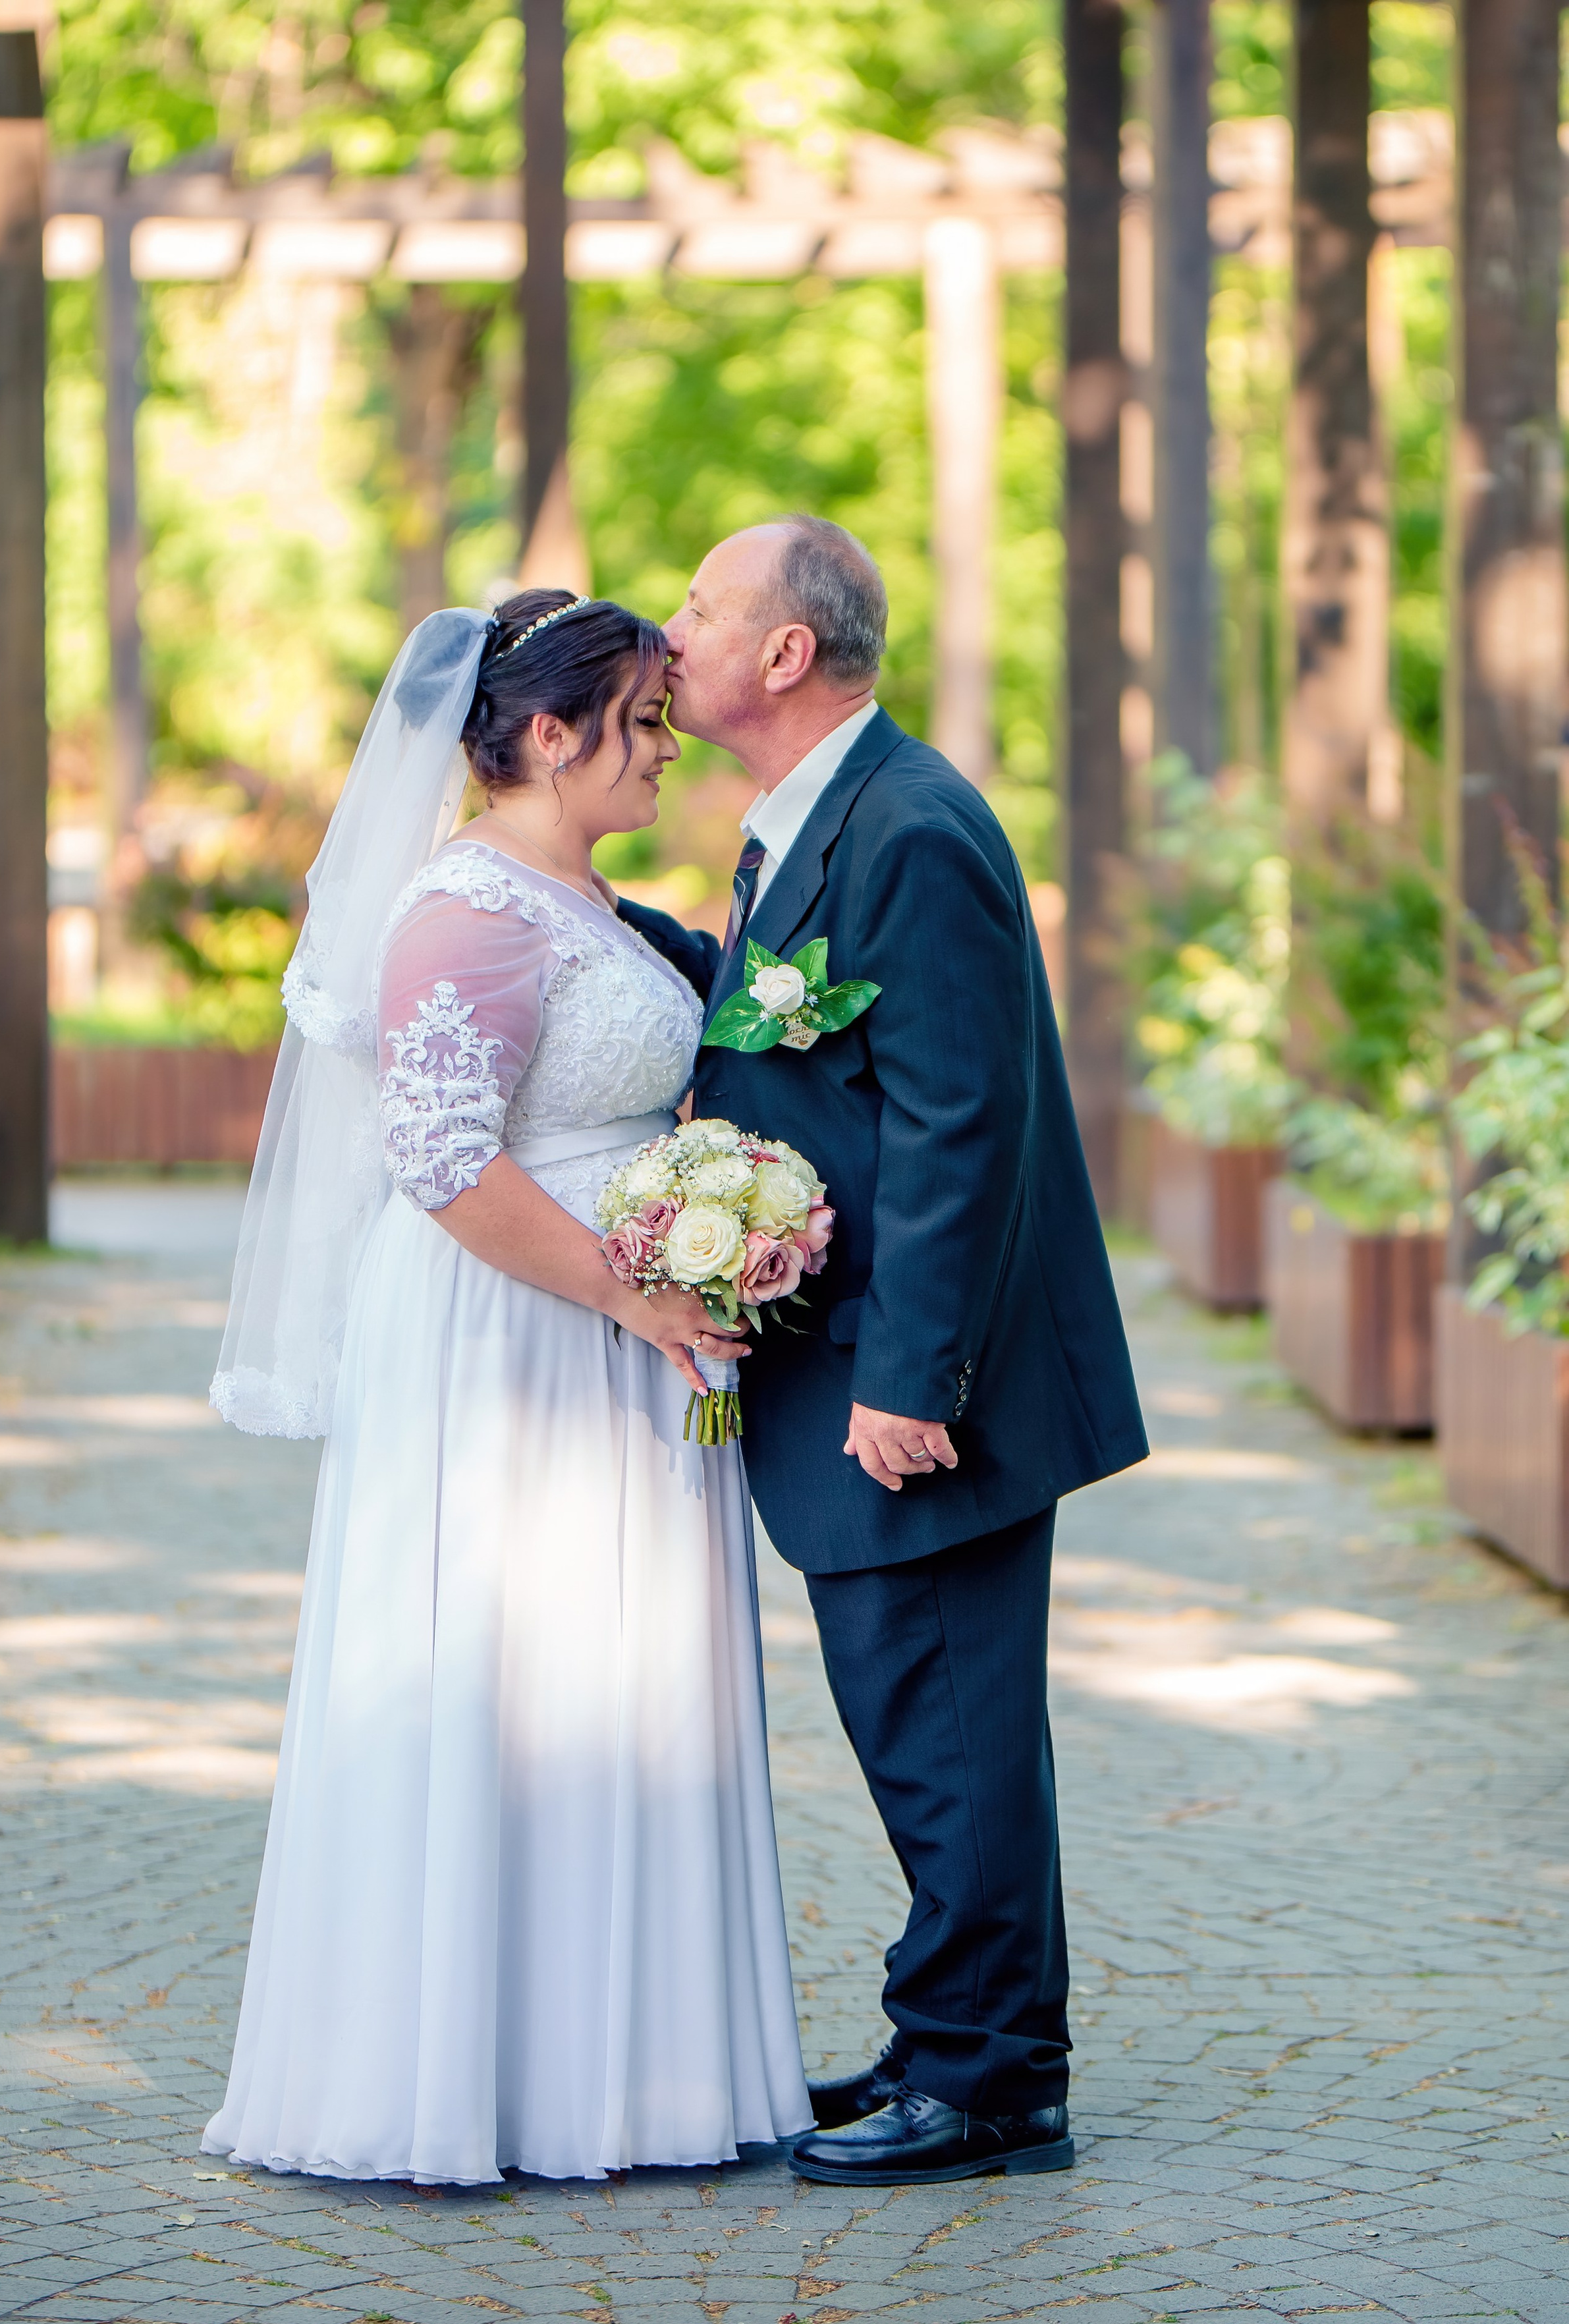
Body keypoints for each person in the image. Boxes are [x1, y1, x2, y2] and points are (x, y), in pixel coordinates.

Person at [202, 594, 811, 2186]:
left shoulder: (585, 899)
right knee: (502, 1669)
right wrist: (636, 1290)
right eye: (641, 724)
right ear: (545, 734)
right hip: (508, 1338)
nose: (665, 751)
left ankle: (625, 2074)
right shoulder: (465, 909)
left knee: (612, 1677)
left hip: (609, 1326)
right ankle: (460, 2079)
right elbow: (442, 1161)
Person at [613, 516, 1148, 2185]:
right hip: (868, 1369)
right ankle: (951, 2039)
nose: (671, 633)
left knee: (948, 1729)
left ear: (785, 652)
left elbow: (956, 1126)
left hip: (914, 1388)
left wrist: (909, 1382)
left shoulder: (906, 826)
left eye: (700, 607)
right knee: (926, 1723)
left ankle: (991, 2085)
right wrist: (603, 932)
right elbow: (801, 1033)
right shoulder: (814, 820)